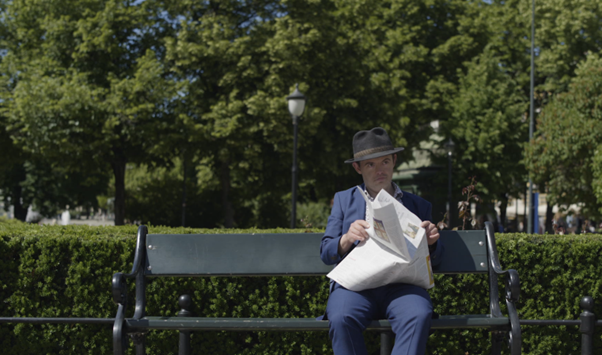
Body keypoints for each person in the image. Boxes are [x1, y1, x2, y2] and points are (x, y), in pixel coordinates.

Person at [320, 127, 444, 355]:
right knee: (341, 316)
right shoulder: (343, 200)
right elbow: (326, 252)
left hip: (401, 287)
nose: (380, 170)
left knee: (418, 313)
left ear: (394, 161)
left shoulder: (418, 205)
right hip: (355, 288)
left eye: (385, 162)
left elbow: (435, 259)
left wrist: (432, 241)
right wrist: (346, 238)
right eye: (370, 164)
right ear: (357, 167)